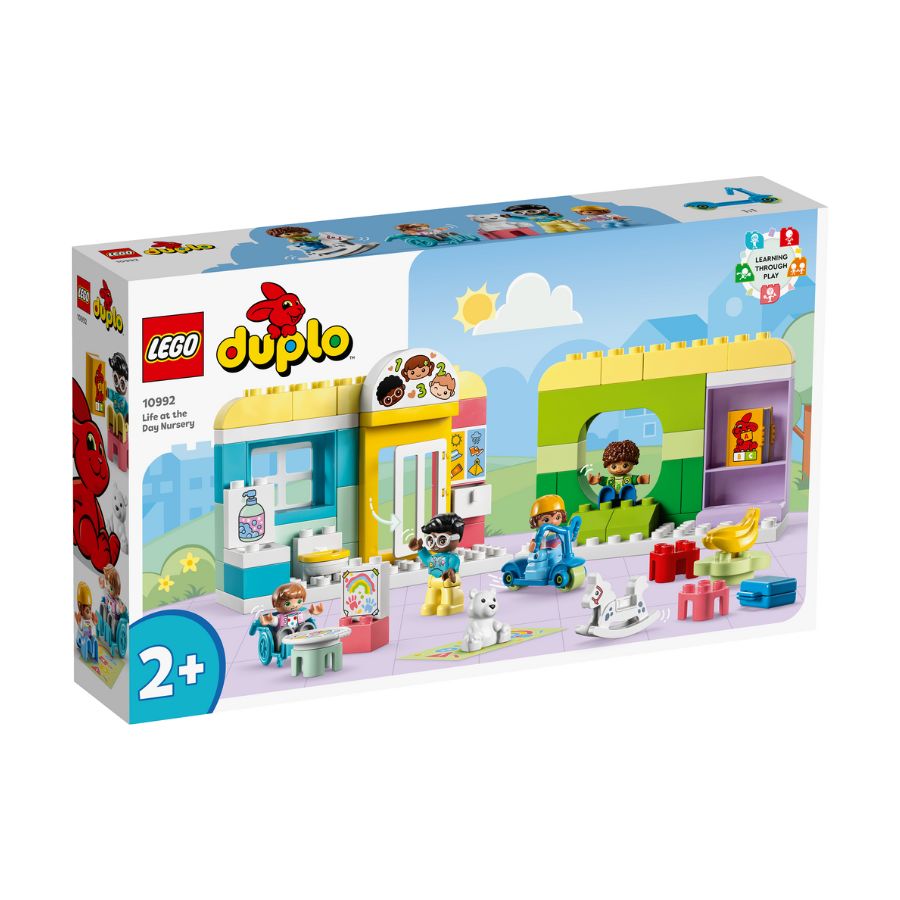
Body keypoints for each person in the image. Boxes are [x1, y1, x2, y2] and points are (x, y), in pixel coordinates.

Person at [409, 512, 466, 616]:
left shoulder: (452, 557)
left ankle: (448, 604)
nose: (435, 544)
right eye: (431, 539)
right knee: (431, 591)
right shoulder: (434, 557)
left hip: (447, 579)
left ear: (456, 538)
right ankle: (431, 604)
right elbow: (427, 560)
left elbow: (454, 565)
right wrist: (420, 549)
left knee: (447, 591)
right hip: (433, 580)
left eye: (442, 540)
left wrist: (451, 571)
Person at [588, 440, 650, 504]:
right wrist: (598, 480)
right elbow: (604, 480)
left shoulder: (628, 478)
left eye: (624, 465)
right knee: (607, 489)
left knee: (628, 488)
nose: (619, 469)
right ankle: (607, 502)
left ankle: (628, 501)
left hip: (626, 496)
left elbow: (634, 479)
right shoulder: (610, 480)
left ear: (633, 463)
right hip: (611, 497)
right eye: (614, 466)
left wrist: (640, 479)